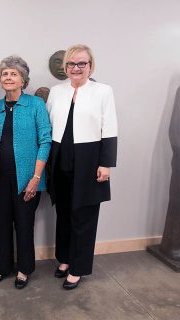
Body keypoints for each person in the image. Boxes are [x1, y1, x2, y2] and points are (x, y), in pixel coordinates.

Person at [47, 44, 118, 290]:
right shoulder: (57, 91)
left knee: (84, 216)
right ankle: (65, 259)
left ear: (90, 66)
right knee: (64, 213)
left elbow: (109, 127)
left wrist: (106, 164)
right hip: (60, 160)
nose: (76, 68)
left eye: (82, 64)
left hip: (89, 162)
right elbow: (49, 125)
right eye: (71, 64)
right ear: (65, 67)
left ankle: (78, 268)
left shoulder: (103, 91)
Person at [0, 55, 51, 289]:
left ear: (23, 80)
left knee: (24, 225)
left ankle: (24, 269)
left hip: (27, 180)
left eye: (13, 73)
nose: (8, 77)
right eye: (5, 74)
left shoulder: (35, 105)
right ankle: (3, 266)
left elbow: (45, 141)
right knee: (0, 225)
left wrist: (36, 178)